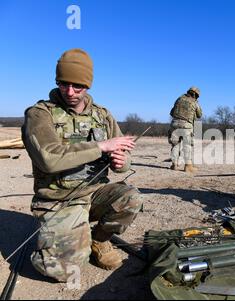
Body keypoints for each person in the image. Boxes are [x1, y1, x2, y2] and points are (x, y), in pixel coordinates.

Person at [21, 48, 144, 282]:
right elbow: (49, 158)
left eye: (77, 86)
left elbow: (123, 161)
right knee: (64, 271)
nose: (69, 92)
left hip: (93, 193)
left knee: (131, 198)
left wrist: (122, 161)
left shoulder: (102, 115)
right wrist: (102, 146)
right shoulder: (39, 115)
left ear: (88, 85)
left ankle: (99, 240)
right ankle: (60, 237)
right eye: (63, 84)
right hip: (59, 199)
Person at [168, 86, 202, 173]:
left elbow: (172, 113)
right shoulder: (194, 102)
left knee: (175, 145)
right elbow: (199, 115)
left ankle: (174, 165)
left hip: (174, 124)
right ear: (197, 95)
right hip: (186, 126)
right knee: (187, 145)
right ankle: (188, 166)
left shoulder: (179, 99)